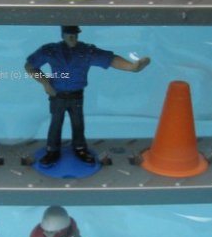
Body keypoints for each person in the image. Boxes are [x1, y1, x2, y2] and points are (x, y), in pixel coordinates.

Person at [25, 26, 150, 166]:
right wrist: (45, 83)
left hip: (76, 96)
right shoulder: (51, 50)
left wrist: (131, 67)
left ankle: (80, 148)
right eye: (69, 35)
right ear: (62, 35)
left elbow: (110, 59)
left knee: (78, 123)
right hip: (57, 95)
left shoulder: (85, 51)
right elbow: (30, 66)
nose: (72, 38)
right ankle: (52, 150)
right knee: (55, 123)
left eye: (75, 35)